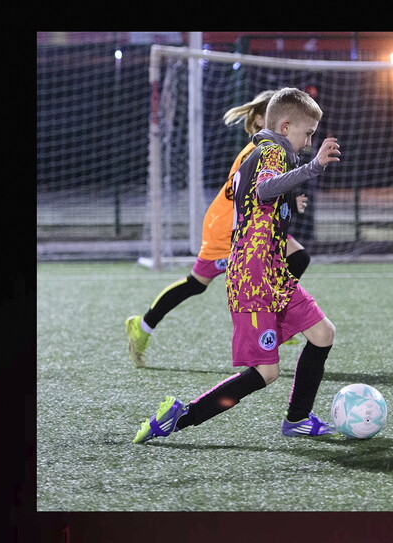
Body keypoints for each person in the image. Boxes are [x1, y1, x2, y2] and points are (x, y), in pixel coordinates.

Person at [133, 87, 341, 443]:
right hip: (255, 276)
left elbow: (265, 199)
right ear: (287, 125)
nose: (309, 141)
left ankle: (298, 419)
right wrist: (314, 166)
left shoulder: (268, 150)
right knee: (265, 371)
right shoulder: (272, 150)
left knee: (323, 334)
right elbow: (263, 190)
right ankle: (181, 417)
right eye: (307, 133)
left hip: (272, 270)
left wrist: (292, 201)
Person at [125, 90, 312, 368]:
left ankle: (275, 320)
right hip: (229, 229)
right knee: (196, 285)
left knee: (297, 258)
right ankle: (142, 325)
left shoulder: (274, 149)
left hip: (256, 227)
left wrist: (287, 197)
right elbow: (253, 188)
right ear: (263, 119)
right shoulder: (258, 150)